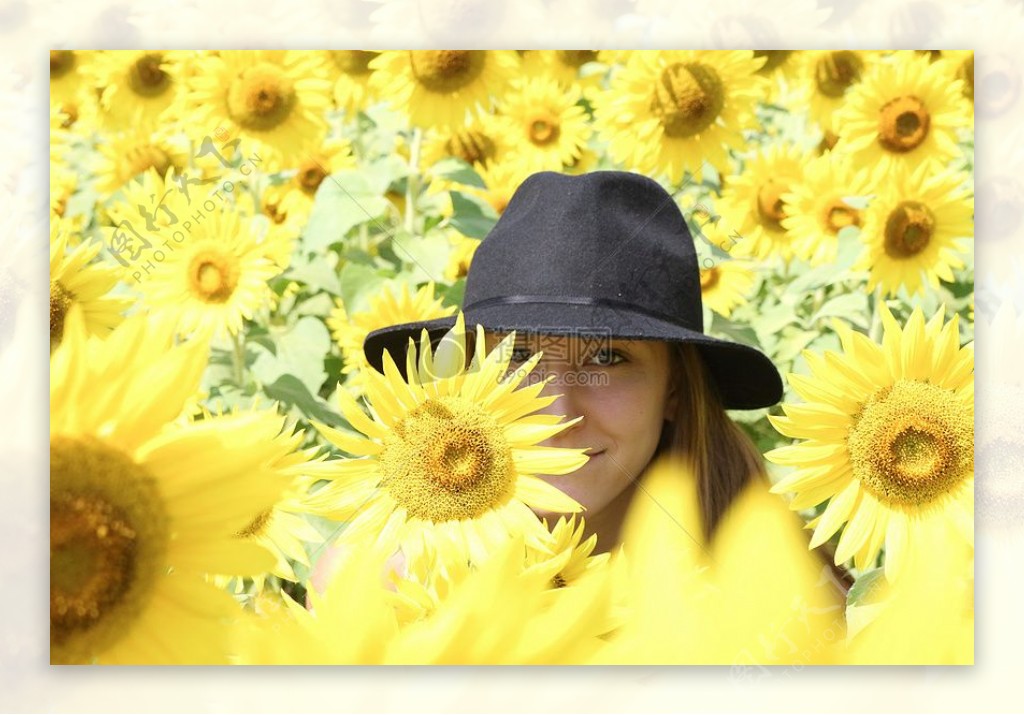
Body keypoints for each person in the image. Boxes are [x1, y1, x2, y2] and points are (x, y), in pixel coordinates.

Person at [363, 170, 783, 551]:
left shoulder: (786, 605)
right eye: (517, 357)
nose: (557, 414)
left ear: (673, 388)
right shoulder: (383, 595)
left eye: (605, 357)